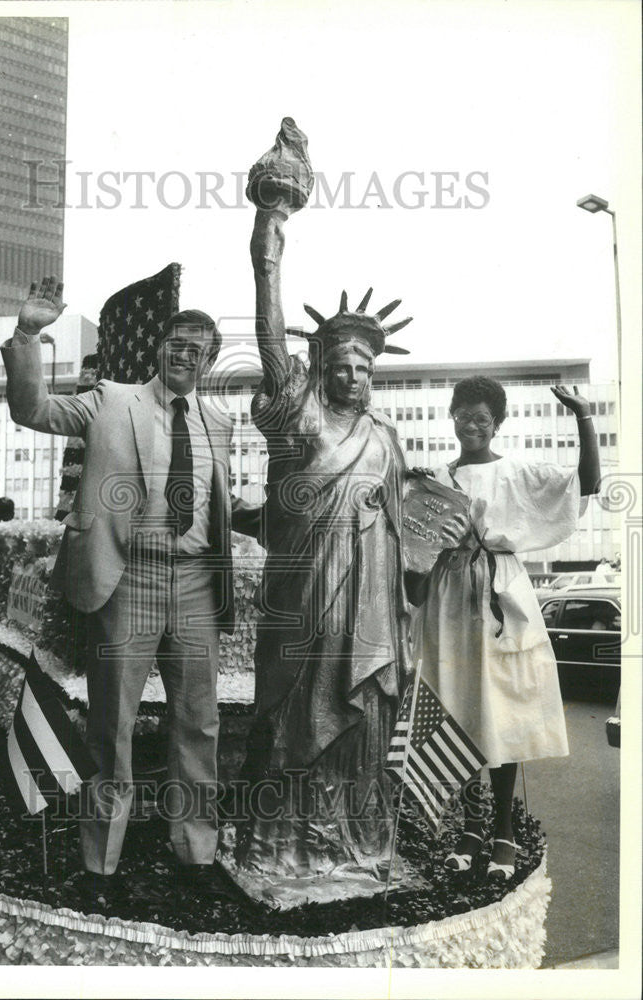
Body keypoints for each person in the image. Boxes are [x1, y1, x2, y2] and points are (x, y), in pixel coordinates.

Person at [1, 276, 260, 900]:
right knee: (111, 725)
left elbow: (217, 502)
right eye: (176, 343)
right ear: (160, 349)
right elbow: (30, 410)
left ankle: (196, 856)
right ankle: (101, 866)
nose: (184, 355)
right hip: (129, 578)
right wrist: (30, 333)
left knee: (198, 723)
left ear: (210, 359)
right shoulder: (109, 400)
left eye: (198, 349)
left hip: (197, 584)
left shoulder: (218, 420)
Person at [232, 201, 419, 899]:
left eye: (363, 369)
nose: (352, 378)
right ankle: (279, 847)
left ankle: (356, 844)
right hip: (303, 597)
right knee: (290, 715)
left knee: (362, 717)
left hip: (369, 606)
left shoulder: (386, 439)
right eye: (339, 366)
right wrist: (268, 245)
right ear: (320, 366)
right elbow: (271, 338)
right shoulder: (296, 410)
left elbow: (410, 532)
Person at [411, 375, 600, 881]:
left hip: (498, 593)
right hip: (448, 596)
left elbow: (589, 482)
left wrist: (583, 415)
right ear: (450, 417)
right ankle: (469, 829)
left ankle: (502, 831)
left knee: (504, 713)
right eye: (463, 415)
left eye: (482, 419)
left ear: (497, 425)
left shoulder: (516, 472)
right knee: (459, 710)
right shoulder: (436, 477)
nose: (471, 426)